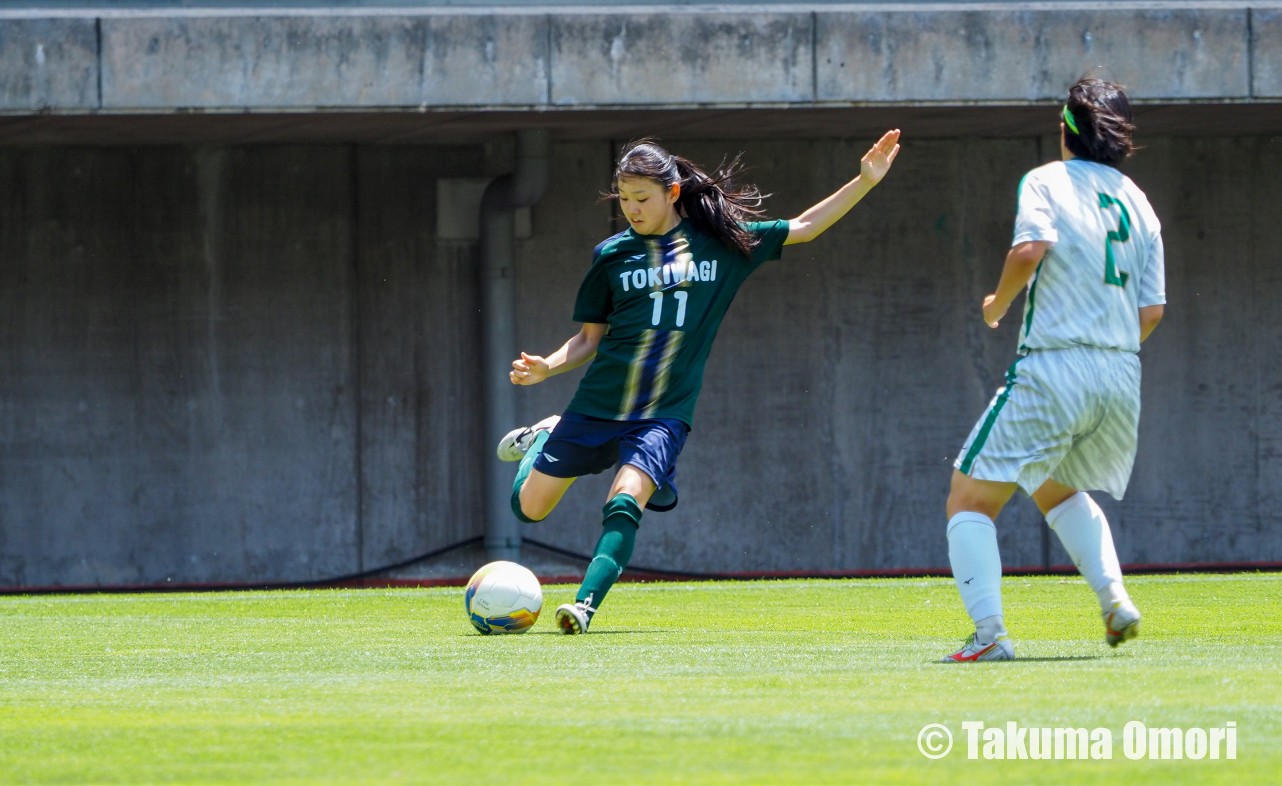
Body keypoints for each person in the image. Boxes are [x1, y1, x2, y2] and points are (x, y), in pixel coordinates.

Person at [497, 131, 902, 634]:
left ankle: (583, 605)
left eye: (641, 198)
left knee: (625, 499)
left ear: (672, 193)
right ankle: (544, 439)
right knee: (528, 509)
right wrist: (546, 368)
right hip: (597, 407)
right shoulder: (612, 255)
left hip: (663, 414)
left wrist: (864, 182)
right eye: (624, 199)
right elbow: (587, 340)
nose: (631, 209)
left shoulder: (722, 244)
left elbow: (804, 227)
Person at [943, 76, 1165, 661]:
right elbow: (1153, 309)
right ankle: (1115, 600)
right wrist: (1105, 345)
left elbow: (1028, 250)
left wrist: (996, 304)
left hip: (1056, 366)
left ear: (1066, 130)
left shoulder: (1047, 179)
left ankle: (990, 637)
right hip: (1121, 375)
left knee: (968, 501)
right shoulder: (1139, 201)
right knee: (1053, 487)